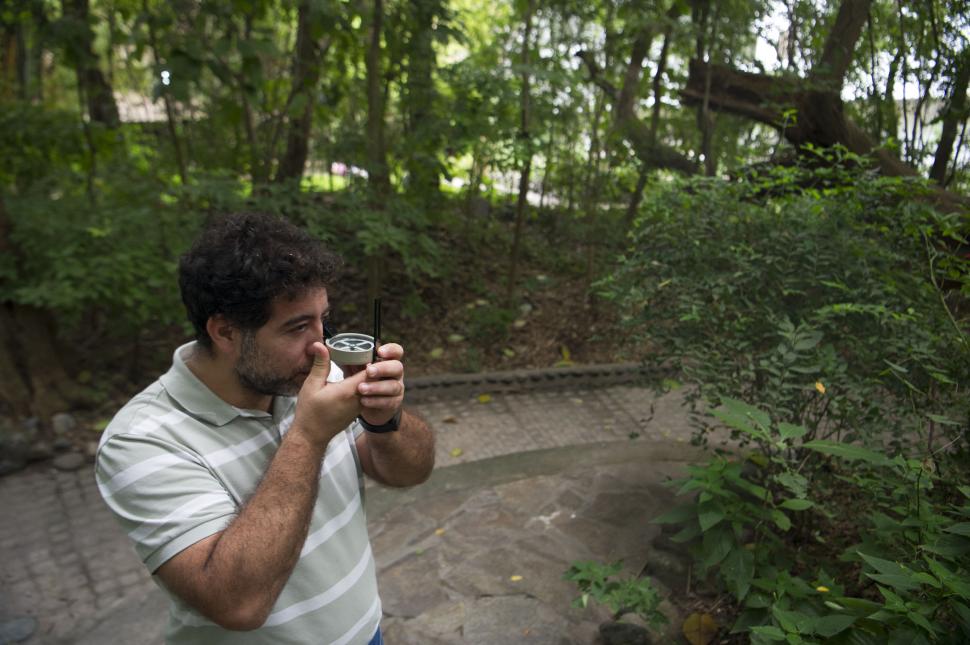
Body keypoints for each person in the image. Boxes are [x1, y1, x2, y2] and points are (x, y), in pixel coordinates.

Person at [95, 212, 434, 644]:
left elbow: (410, 473)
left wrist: (386, 420)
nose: (320, 346)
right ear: (225, 332)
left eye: (323, 320)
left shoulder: (315, 378)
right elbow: (238, 604)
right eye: (296, 327)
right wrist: (307, 437)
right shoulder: (142, 441)